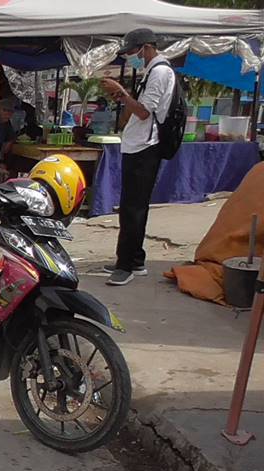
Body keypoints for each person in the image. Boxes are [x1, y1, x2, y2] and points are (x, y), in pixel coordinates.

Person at [100, 28, 175, 286]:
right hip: (138, 145)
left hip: (145, 148)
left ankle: (125, 266)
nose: (131, 57)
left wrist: (121, 93)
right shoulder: (153, 71)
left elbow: (143, 112)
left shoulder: (160, 72)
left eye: (132, 52)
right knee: (133, 206)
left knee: (133, 208)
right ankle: (135, 259)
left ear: (145, 47)